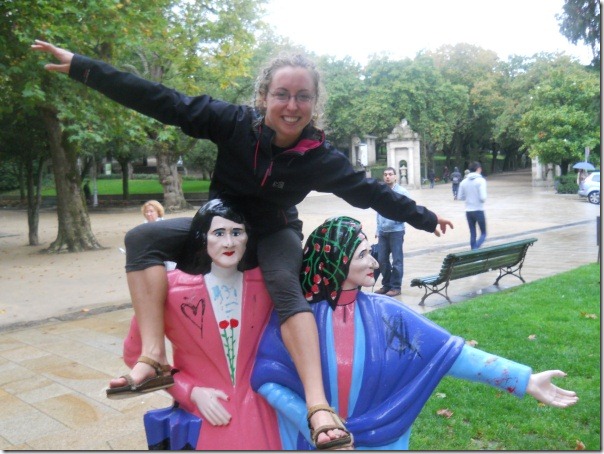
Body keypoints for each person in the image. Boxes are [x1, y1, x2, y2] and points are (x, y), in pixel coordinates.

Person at [32, 40, 453, 449]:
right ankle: (154, 356)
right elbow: (161, 100)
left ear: (314, 102)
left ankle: (318, 406)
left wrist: (426, 217)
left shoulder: (319, 156)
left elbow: (370, 192)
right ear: (263, 96)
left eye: (303, 96)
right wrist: (84, 67)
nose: (292, 106)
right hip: (221, 226)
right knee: (142, 238)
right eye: (282, 94)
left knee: (285, 285)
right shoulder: (232, 122)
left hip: (274, 231)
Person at [251, 216, 578, 450]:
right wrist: (315, 425)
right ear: (335, 261)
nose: (375, 263)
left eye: (370, 253)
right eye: (363, 255)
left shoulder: (388, 314)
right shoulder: (296, 319)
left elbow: (451, 354)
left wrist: (524, 380)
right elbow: (268, 377)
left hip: (380, 439)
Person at [119, 199, 282, 450]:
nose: (229, 243)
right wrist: (190, 392)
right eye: (219, 233)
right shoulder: (170, 289)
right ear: (202, 237)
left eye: (237, 233)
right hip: (208, 421)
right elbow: (134, 353)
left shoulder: (269, 283)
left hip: (262, 416)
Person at [374, 167, 409, 297]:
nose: (387, 177)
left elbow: (408, 210)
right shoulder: (381, 191)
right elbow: (378, 211)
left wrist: (396, 221)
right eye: (385, 174)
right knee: (382, 260)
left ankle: (396, 287)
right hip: (383, 231)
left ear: (395, 176)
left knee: (397, 260)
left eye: (390, 174)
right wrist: (378, 228)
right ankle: (387, 284)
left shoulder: (402, 192)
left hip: (396, 231)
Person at [458, 161, 487, 249]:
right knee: (483, 233)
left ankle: (473, 250)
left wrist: (468, 197)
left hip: (468, 211)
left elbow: (460, 197)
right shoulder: (481, 181)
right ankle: (475, 250)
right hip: (479, 210)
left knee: (473, 233)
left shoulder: (463, 182)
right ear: (478, 169)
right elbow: (483, 198)